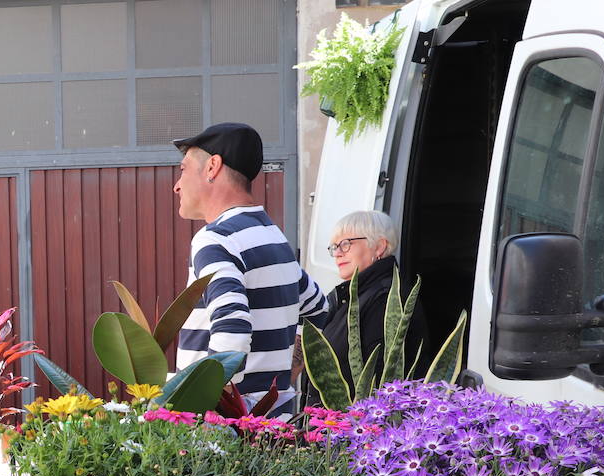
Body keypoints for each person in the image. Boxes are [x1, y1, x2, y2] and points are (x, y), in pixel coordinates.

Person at [172, 122, 326, 417]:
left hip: (225, 436)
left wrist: (205, 414)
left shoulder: (215, 239)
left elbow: (231, 328)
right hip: (274, 421)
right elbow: (318, 311)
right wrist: (283, 379)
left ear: (212, 167)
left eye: (183, 169)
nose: (177, 184)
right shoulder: (273, 237)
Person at [320, 210, 429, 387]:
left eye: (346, 243)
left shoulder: (385, 299)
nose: (338, 253)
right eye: (334, 246)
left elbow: (377, 378)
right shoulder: (352, 295)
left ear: (379, 247)